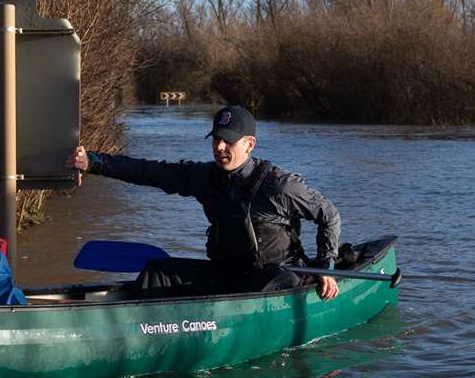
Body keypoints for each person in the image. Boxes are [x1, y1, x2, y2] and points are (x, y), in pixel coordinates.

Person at [65, 104, 342, 300]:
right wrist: (94, 162)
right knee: (158, 270)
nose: (220, 147)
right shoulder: (204, 177)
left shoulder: (280, 185)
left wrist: (325, 268)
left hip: (275, 276)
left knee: (273, 282)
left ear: (250, 144)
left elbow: (329, 215)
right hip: (226, 274)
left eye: (229, 141)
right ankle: (144, 330)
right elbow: (147, 171)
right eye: (217, 139)